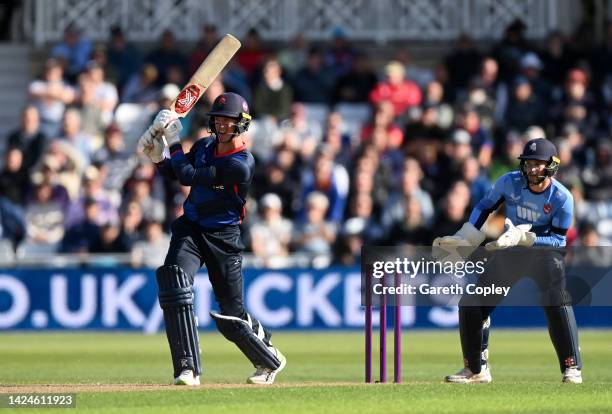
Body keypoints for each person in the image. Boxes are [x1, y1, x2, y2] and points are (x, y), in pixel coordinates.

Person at [137, 92, 286, 386]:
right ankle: (187, 368)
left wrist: (174, 140)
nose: (220, 125)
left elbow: (188, 176)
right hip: (191, 228)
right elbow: (176, 169)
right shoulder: (205, 145)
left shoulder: (241, 164)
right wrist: (158, 157)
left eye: (228, 121)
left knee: (231, 315)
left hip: (223, 237)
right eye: (217, 119)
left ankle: (269, 360)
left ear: (242, 124)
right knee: (174, 284)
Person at [433, 138, 582, 384]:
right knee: (472, 303)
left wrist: (526, 238)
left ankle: (571, 366)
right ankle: (477, 369)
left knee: (556, 300)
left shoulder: (562, 197)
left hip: (545, 255)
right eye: (529, 163)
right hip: (511, 252)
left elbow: (559, 240)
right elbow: (484, 206)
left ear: (552, 166)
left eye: (538, 164)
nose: (532, 169)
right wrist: (466, 236)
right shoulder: (509, 182)